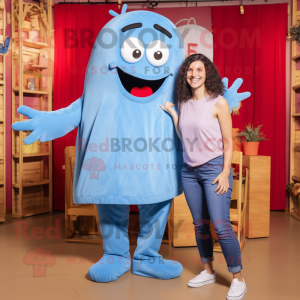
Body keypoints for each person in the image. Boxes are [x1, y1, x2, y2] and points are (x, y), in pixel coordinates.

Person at [159, 53, 247, 300]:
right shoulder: (184, 102)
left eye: (199, 69)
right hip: (189, 170)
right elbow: (185, 135)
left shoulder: (218, 102)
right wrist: (174, 114)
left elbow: (228, 143)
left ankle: (238, 278)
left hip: (213, 169)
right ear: (185, 74)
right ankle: (208, 270)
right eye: (190, 69)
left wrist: (225, 172)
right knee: (200, 225)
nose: (194, 74)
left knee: (221, 225)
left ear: (207, 73)